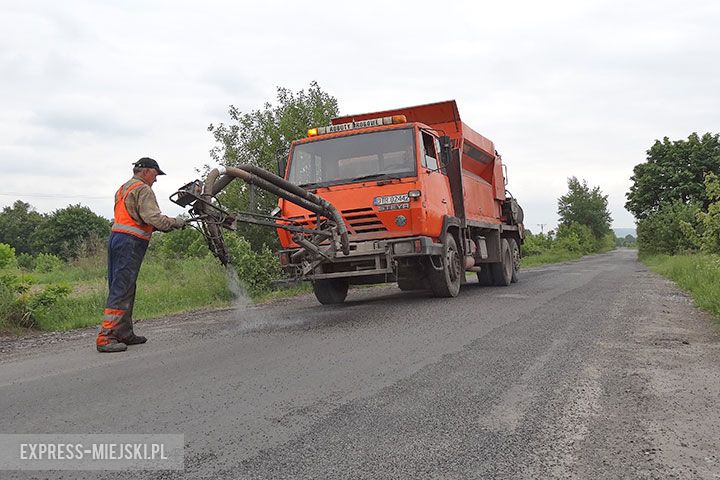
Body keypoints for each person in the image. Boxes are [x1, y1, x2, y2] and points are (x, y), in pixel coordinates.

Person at [96, 157, 185, 353]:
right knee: (122, 288)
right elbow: (152, 218)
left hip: (117, 239)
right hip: (130, 242)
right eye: (155, 174)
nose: (156, 179)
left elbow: (137, 218)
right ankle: (106, 337)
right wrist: (175, 222)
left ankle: (124, 332)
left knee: (124, 286)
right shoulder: (143, 189)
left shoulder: (123, 188)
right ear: (145, 171)